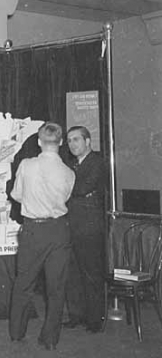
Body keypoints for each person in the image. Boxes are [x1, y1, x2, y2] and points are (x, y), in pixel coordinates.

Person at [9, 122, 75, 351]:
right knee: (56, 287)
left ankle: (17, 333)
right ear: (62, 142)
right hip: (59, 231)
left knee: (24, 282)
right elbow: (65, 198)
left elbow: (16, 195)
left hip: (33, 230)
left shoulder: (26, 165)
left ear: (38, 141)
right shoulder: (69, 172)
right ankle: (50, 339)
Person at [63, 126, 107, 333]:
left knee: (91, 273)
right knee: (73, 273)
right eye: (69, 140)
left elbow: (83, 188)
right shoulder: (72, 165)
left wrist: (63, 188)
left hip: (90, 226)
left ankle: (94, 319)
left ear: (88, 141)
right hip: (72, 225)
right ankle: (76, 315)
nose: (72, 144)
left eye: (76, 140)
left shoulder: (97, 162)